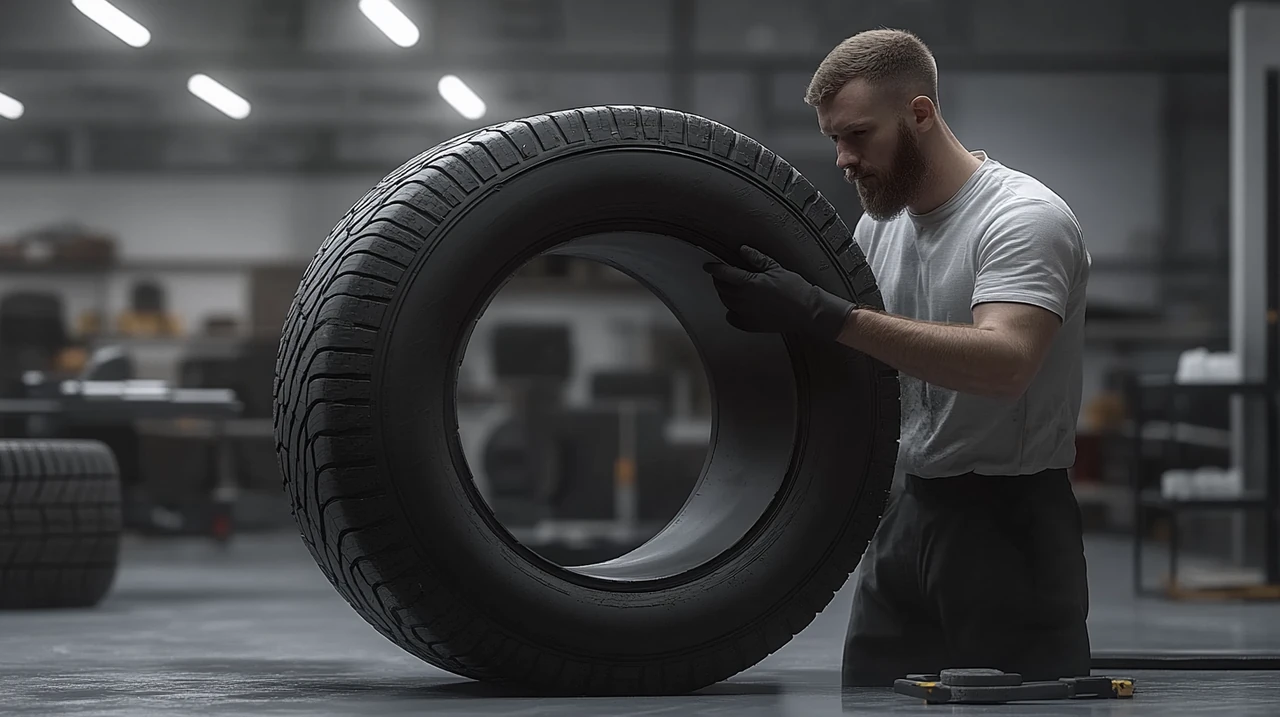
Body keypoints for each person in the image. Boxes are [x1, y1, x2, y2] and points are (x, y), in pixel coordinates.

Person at [702, 28, 1093, 686]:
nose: (843, 159)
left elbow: (1006, 362)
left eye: (858, 135)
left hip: (1012, 524)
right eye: (834, 139)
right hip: (909, 515)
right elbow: (871, 361)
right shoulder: (878, 228)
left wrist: (829, 314)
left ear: (920, 113)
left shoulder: (1023, 218)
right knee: (871, 699)